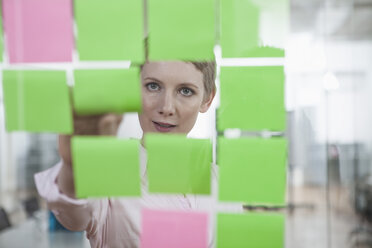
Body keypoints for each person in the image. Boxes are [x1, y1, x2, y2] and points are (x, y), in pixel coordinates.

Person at [34, 60, 234, 248]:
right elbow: (73, 214)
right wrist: (73, 167)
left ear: (207, 99)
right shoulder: (110, 177)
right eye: (153, 86)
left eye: (185, 91)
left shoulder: (223, 182)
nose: (166, 107)